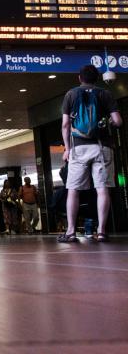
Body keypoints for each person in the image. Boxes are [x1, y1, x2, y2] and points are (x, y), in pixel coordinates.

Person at [58, 64, 123, 243]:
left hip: (78, 148)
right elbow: (118, 121)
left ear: (79, 78)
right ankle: (101, 231)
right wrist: (109, 120)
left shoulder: (71, 94)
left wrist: (67, 149)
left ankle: (71, 232)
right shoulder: (105, 94)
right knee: (102, 189)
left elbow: (65, 124)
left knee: (73, 190)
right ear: (97, 78)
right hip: (103, 147)